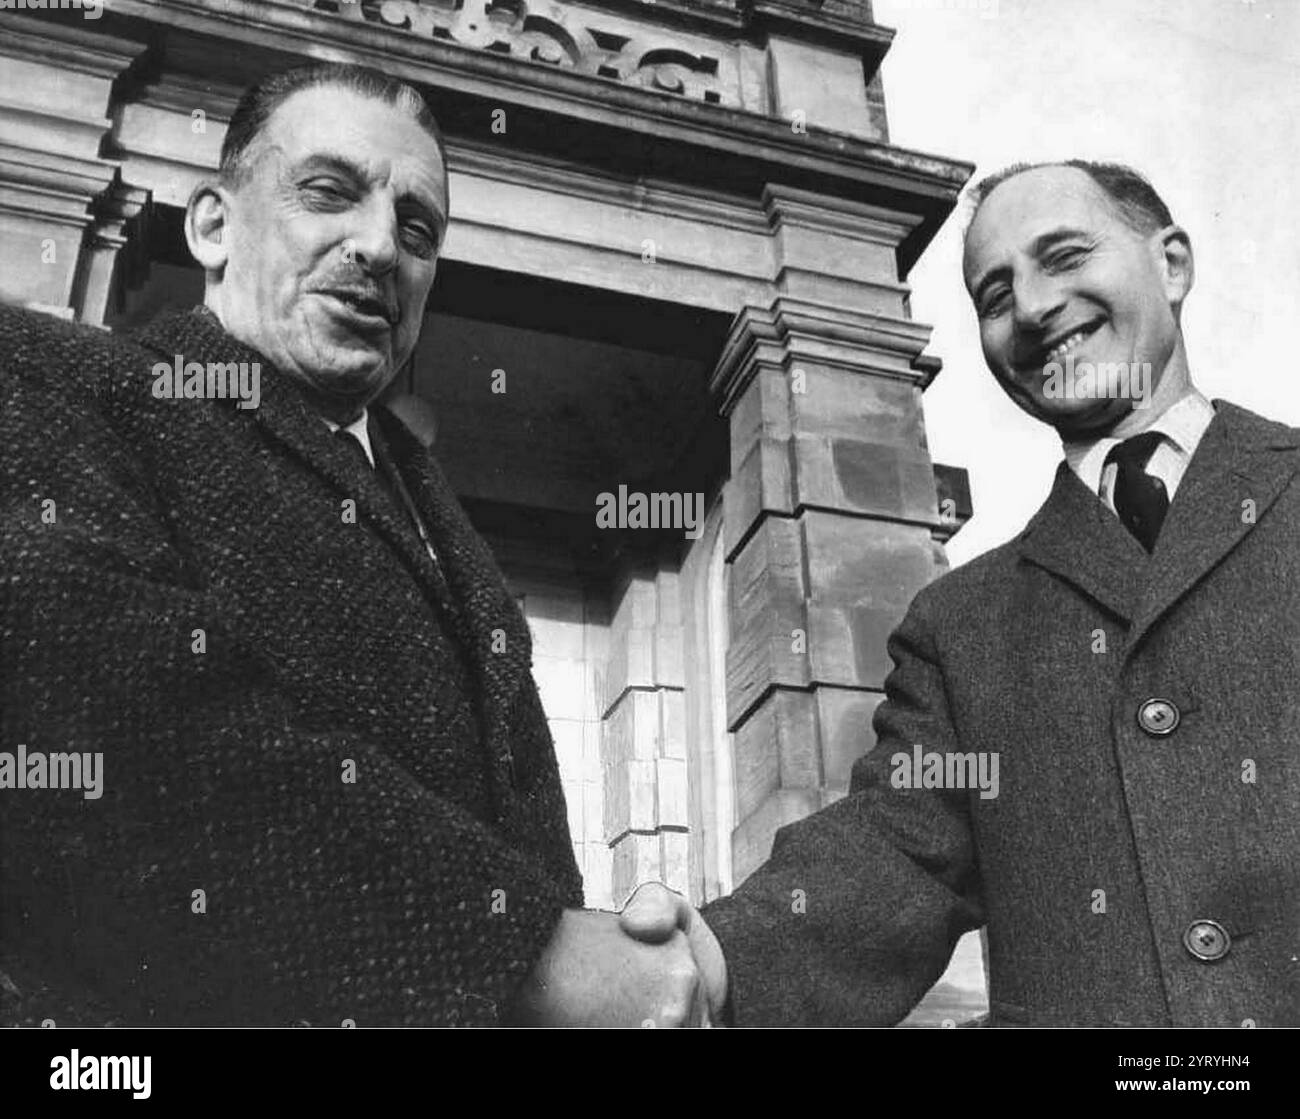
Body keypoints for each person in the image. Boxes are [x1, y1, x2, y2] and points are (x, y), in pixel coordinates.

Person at [0, 62, 705, 1027]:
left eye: (419, 230)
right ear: (212, 224)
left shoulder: (447, 535)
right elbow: (112, 721)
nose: (380, 246)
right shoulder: (57, 382)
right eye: (329, 194)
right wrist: (523, 955)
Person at [623, 160, 1300, 1027]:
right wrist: (707, 959)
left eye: (1064, 257)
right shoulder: (960, 624)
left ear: (1171, 263)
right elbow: (893, 855)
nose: (1033, 308)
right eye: (994, 295)